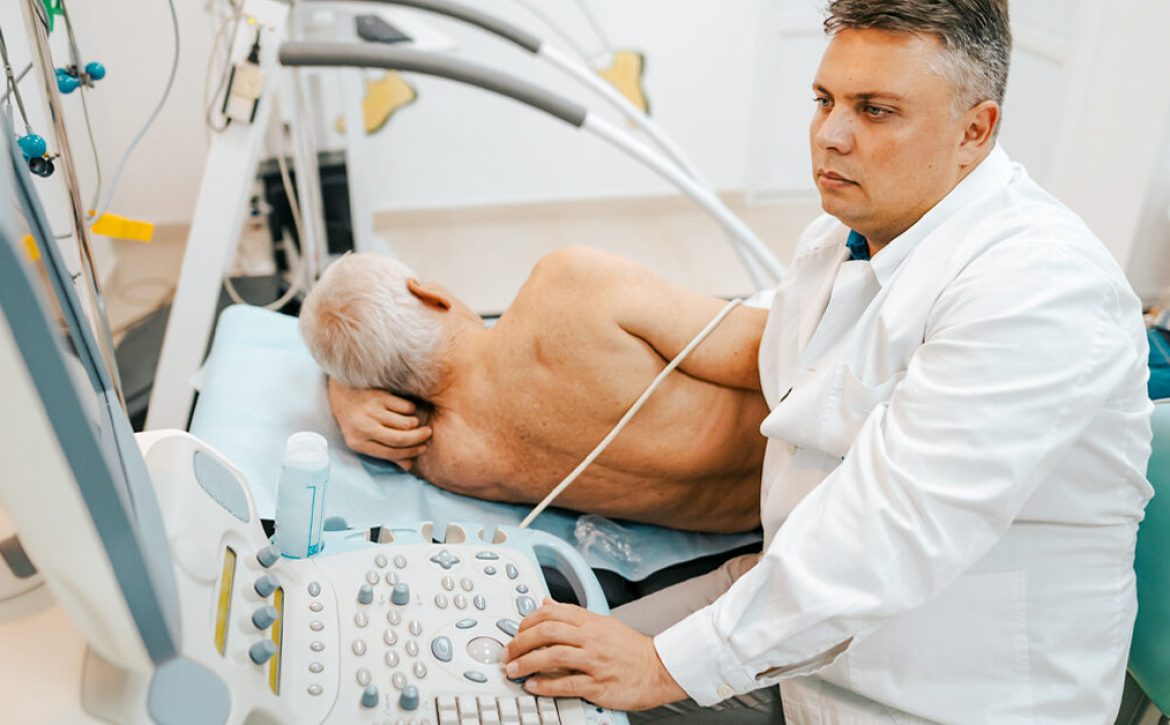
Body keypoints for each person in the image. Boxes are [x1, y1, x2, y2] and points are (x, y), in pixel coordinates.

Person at [496, 1, 1154, 723]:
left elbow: (889, 530)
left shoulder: (1042, 288)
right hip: (804, 639)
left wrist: (659, 665)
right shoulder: (839, 238)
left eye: (875, 111)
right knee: (519, 670)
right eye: (824, 100)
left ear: (976, 129)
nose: (829, 137)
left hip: (937, 700)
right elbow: (758, 353)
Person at [300, 247, 770, 533]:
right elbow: (778, 350)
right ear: (430, 294)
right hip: (813, 439)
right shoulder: (568, 286)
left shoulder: (442, 459)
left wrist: (342, 393)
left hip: (767, 513)